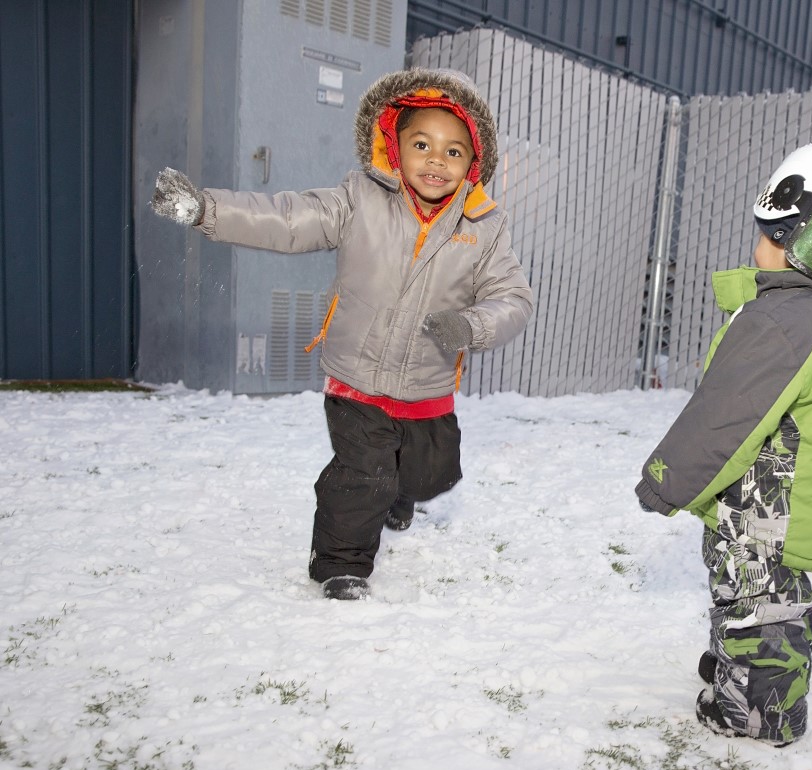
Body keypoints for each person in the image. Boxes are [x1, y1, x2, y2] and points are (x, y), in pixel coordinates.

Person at [151, 68, 533, 601]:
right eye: (422, 144)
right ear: (394, 146)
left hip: (427, 388)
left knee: (429, 475)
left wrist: (471, 324)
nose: (436, 161)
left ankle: (400, 491)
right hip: (359, 377)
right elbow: (286, 219)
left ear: (475, 164)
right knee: (362, 476)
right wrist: (207, 210)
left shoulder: (484, 228)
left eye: (453, 151)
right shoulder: (359, 200)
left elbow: (513, 299)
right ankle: (340, 565)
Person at [635, 143, 812, 746]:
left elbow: (724, 416)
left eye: (767, 235)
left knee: (762, 607)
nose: (757, 247)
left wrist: (664, 480)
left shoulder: (786, 324)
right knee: (771, 606)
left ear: (800, 237)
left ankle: (756, 713)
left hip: (773, 517)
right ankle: (741, 668)